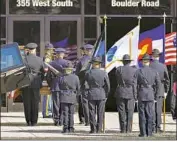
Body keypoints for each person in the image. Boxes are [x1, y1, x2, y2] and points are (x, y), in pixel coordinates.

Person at [134, 54, 161, 137]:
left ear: (142, 62)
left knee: (142, 114)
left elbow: (134, 85)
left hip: (141, 94)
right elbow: (158, 85)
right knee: (150, 114)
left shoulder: (138, 71)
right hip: (150, 94)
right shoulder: (154, 71)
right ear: (149, 62)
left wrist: (135, 96)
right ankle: (149, 133)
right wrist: (156, 96)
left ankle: (143, 133)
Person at [84, 56, 110, 133]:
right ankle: (99, 129)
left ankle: (93, 129)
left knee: (92, 112)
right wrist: (106, 94)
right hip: (101, 93)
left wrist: (86, 92)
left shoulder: (88, 73)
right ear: (99, 64)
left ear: (92, 64)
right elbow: (108, 85)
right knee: (100, 112)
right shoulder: (104, 73)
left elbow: (85, 84)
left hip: (91, 93)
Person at [22, 43, 46, 126]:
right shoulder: (40, 60)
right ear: (35, 50)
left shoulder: (23, 59)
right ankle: (34, 121)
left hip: (25, 83)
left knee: (27, 103)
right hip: (36, 83)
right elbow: (43, 73)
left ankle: (28, 121)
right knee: (35, 103)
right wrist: (39, 81)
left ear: (28, 50)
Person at [114, 54, 137, 133]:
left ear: (123, 62)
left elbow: (117, 80)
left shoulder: (118, 69)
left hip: (120, 91)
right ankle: (128, 129)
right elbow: (135, 83)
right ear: (129, 62)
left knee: (121, 111)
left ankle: (123, 129)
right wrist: (135, 95)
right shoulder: (134, 70)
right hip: (130, 91)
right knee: (130, 111)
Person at [149, 49, 170, 133]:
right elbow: (167, 80)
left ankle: (152, 127)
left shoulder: (149, 66)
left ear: (152, 56)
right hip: (160, 89)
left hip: (151, 89)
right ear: (158, 57)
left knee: (151, 109)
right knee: (158, 109)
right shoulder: (163, 66)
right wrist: (166, 91)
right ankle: (157, 127)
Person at [48, 48, 69, 126]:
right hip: (65, 86)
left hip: (55, 85)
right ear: (63, 54)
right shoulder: (67, 63)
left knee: (56, 103)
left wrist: (51, 84)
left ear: (56, 55)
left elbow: (48, 77)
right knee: (63, 103)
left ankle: (56, 120)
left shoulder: (51, 63)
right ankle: (62, 119)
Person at [59, 61, 80, 133]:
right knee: (71, 113)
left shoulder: (61, 77)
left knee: (65, 113)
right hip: (72, 96)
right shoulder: (76, 77)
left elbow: (60, 86)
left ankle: (65, 128)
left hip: (64, 96)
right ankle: (71, 128)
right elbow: (78, 88)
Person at [75, 44, 94, 126]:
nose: (89, 51)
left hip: (83, 83)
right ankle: (90, 119)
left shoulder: (81, 60)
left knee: (84, 103)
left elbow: (77, 73)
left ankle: (85, 120)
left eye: (89, 50)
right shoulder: (95, 60)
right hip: (92, 84)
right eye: (88, 50)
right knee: (90, 103)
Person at [42, 42, 54, 118]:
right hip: (47, 79)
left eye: (50, 50)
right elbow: (46, 70)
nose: (49, 51)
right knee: (47, 97)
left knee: (49, 97)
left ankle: (48, 111)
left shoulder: (51, 58)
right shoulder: (46, 59)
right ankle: (47, 113)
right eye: (48, 50)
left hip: (50, 79)